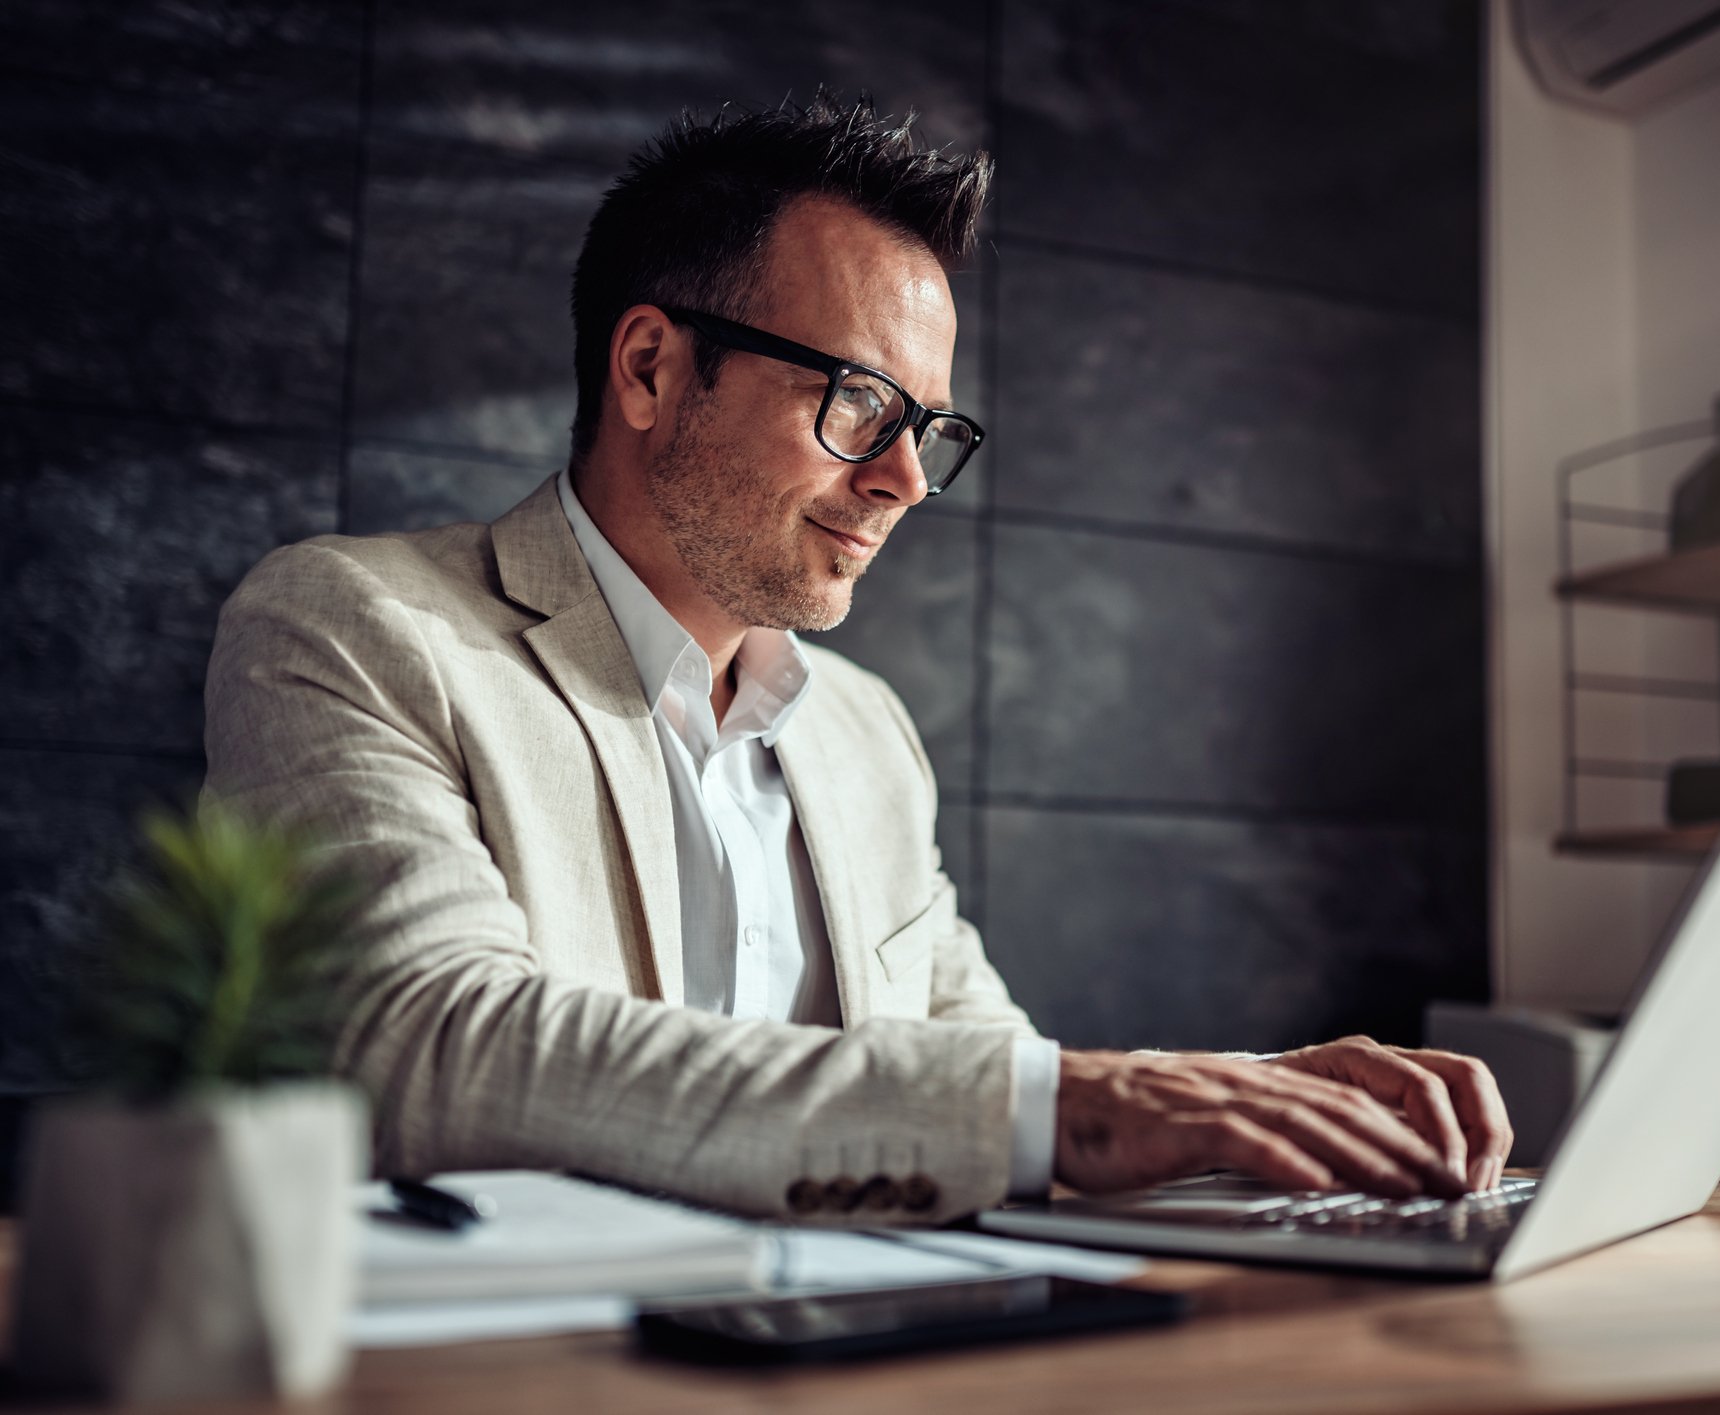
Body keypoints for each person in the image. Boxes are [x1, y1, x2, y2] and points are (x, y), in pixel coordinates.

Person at [203, 96, 1512, 1224]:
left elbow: (985, 1075)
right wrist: (1101, 1107)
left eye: (928, 427)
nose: (903, 481)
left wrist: (1263, 1105)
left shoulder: (864, 732)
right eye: (856, 404)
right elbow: (428, 1051)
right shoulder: (352, 627)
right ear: (653, 368)